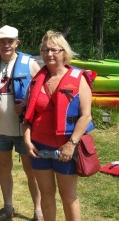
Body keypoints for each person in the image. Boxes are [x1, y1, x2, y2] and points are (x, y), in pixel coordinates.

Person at [23, 30, 94, 221]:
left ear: (64, 52)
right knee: (46, 194)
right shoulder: (37, 79)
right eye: (45, 50)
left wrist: (71, 144)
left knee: (68, 196)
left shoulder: (79, 78)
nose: (49, 54)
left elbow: (86, 116)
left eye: (54, 50)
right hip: (38, 146)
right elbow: (29, 115)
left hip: (66, 147)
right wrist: (27, 140)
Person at [0, 25, 43, 221]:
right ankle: (8, 207)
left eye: (10, 41)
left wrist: (27, 104)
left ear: (17, 43)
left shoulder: (31, 64)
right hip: (0, 127)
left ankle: (38, 210)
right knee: (4, 166)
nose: (6, 45)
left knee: (31, 169)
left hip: (25, 128)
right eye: (2, 42)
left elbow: (43, 92)